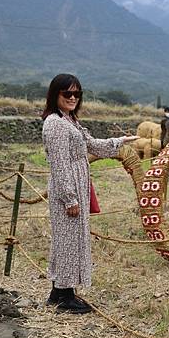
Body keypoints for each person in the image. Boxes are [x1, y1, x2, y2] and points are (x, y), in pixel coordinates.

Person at [41, 74, 138, 314]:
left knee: (72, 238)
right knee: (67, 240)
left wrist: (120, 141)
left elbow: (93, 145)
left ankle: (60, 291)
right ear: (56, 95)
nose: (73, 98)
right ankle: (64, 295)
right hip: (68, 189)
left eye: (77, 94)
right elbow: (59, 163)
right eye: (67, 94)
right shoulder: (55, 123)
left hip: (77, 185)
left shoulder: (70, 120)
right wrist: (69, 198)